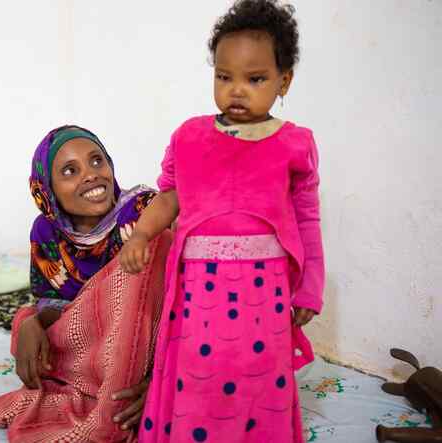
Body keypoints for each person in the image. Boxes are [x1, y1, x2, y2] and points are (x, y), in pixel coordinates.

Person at [119, 1, 324, 441]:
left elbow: (307, 219)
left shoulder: (295, 145)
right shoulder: (189, 137)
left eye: (255, 79)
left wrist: (310, 286)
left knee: (258, 370)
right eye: (224, 76)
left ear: (283, 80)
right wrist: (143, 234)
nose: (236, 90)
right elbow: (170, 196)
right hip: (198, 289)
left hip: (263, 291)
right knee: (200, 368)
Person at [0, 125, 171, 442]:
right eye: (70, 170)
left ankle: (118, 389)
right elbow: (56, 304)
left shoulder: (144, 213)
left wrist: (162, 377)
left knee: (140, 261)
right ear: (49, 189)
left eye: (97, 161)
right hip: (91, 343)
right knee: (27, 336)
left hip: (156, 341)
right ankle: (102, 380)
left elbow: (191, 297)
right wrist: (33, 322)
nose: (91, 174)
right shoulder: (46, 232)